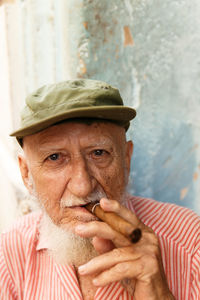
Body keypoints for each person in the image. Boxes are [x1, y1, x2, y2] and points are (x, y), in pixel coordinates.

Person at [0, 79, 199, 300]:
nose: (83, 186)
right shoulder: (10, 251)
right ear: (26, 174)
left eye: (99, 153)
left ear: (126, 159)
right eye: (55, 157)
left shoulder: (190, 242)